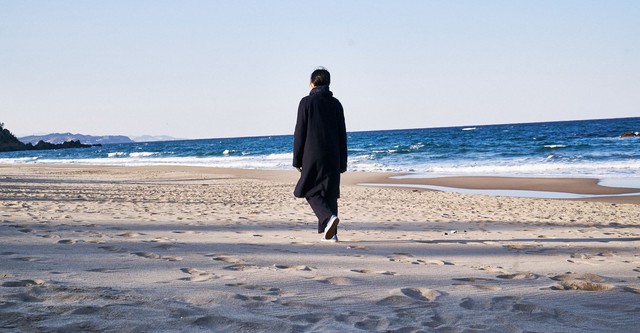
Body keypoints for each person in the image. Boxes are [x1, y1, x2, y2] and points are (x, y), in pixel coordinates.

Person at [293, 67, 348, 242]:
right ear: (328, 83)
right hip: (333, 155)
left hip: (312, 154)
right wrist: (343, 162)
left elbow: (300, 132)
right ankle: (331, 234)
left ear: (312, 83)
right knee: (329, 193)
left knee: (308, 189)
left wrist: (297, 159)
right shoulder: (336, 104)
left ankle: (328, 219)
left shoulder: (306, 102)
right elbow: (342, 134)